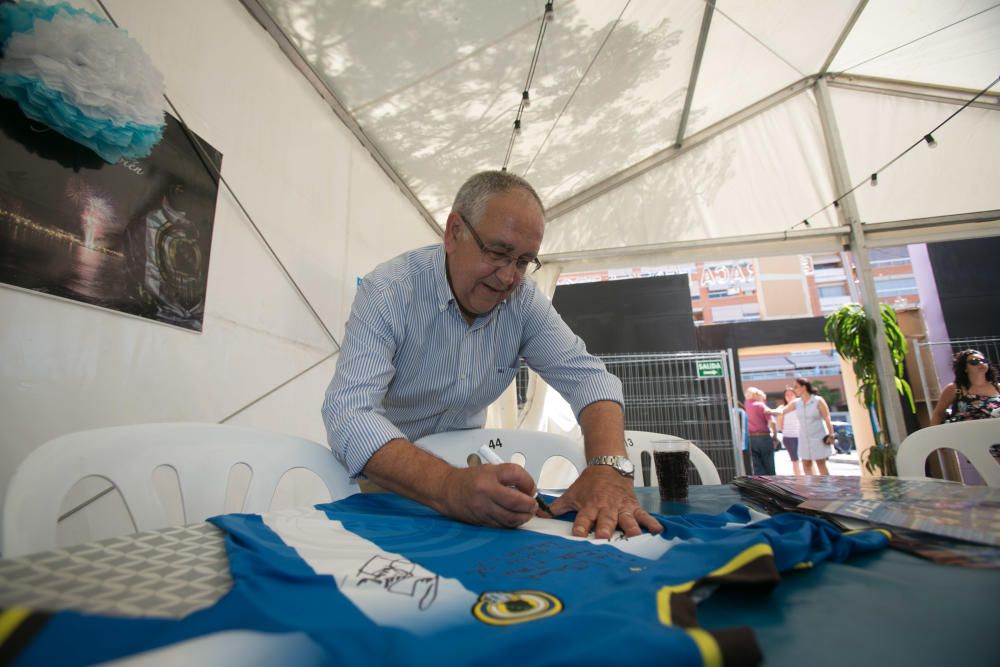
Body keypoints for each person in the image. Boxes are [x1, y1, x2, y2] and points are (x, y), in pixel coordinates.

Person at [323, 170, 662, 540]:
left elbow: (590, 379)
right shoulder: (389, 292)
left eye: (523, 261)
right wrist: (448, 485)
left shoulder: (524, 301)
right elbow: (349, 413)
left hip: (474, 488)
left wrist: (608, 468)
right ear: (454, 232)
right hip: (388, 487)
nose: (508, 278)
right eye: (498, 253)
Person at [776, 377, 834, 475]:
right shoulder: (796, 403)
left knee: (820, 463)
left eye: (796, 387)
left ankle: (826, 487)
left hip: (818, 436)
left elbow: (827, 417)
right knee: (806, 463)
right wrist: (769, 411)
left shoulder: (818, 400)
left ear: (804, 387)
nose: (794, 389)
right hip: (803, 438)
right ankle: (812, 488)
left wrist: (831, 434)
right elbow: (783, 411)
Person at [930, 349, 1000, 425]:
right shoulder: (955, 388)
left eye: (984, 360)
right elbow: (938, 414)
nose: (981, 363)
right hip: (964, 434)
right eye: (974, 361)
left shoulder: (997, 387)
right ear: (965, 368)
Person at [744, 387, 778, 475]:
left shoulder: (745, 405)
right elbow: (773, 422)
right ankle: (771, 485)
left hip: (751, 438)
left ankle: (759, 486)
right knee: (769, 464)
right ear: (755, 395)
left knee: (757, 467)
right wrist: (775, 436)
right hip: (764, 437)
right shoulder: (760, 405)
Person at [777, 386, 803, 476]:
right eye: (787, 395)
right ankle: (799, 481)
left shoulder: (801, 405)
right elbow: (780, 426)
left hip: (802, 436)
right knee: (795, 461)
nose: (789, 396)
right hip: (789, 437)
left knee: (807, 461)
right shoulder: (782, 408)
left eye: (791, 394)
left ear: (796, 395)